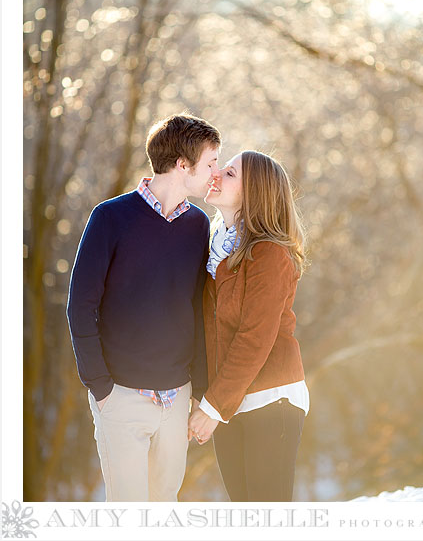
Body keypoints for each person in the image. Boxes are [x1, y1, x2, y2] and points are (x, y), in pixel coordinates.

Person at [65, 113, 220, 501]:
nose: (215, 173)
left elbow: (198, 311)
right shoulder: (110, 217)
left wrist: (198, 388)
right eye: (211, 163)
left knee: (164, 505)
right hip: (120, 396)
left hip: (177, 396)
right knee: (128, 512)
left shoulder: (199, 225)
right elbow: (80, 306)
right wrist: (101, 387)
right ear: (183, 165)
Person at [187, 150, 308, 502]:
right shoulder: (213, 254)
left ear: (253, 192)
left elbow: (255, 337)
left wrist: (212, 406)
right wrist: (203, 395)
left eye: (229, 173)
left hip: (272, 401)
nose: (216, 175)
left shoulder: (270, 253)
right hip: (228, 402)